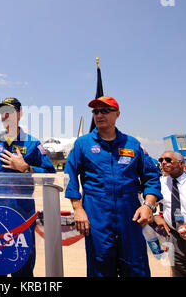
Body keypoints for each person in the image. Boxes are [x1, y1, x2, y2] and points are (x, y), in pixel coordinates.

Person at [64, 96, 162, 277]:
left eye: (105, 111)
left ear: (117, 114)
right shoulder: (82, 144)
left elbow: (151, 176)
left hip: (130, 216)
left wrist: (148, 205)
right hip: (97, 217)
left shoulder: (132, 144)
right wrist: (78, 209)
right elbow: (68, 176)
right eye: (95, 111)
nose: (99, 115)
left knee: (136, 268)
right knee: (100, 268)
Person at [0, 97, 56, 277]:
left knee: (23, 269)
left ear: (20, 114)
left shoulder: (33, 144)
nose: (6, 115)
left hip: (22, 215)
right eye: (2, 112)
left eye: (10, 111)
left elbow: (50, 174)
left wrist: (27, 168)